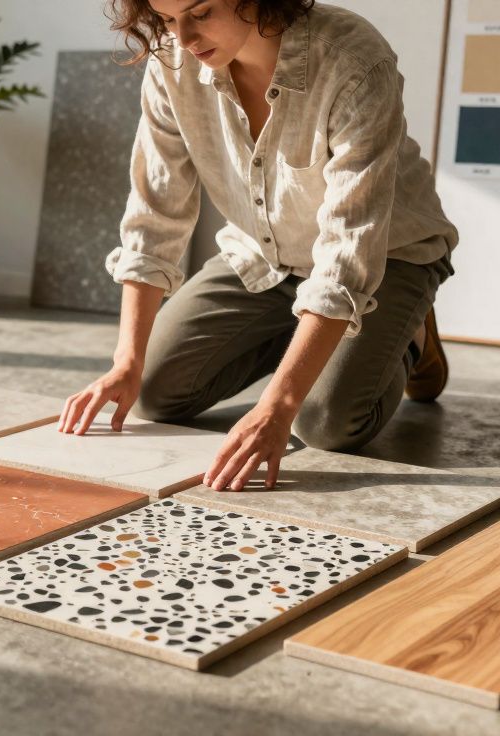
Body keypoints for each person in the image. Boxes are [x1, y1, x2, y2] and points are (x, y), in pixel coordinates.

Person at [57, 0, 459, 493]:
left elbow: (348, 252)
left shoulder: (354, 59)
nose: (181, 37)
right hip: (264, 257)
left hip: (384, 257)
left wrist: (278, 404)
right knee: (156, 393)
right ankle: (306, 341)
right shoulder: (172, 63)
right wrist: (126, 361)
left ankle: (410, 333)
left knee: (324, 422)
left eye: (200, 12)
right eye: (165, 19)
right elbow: (155, 213)